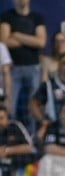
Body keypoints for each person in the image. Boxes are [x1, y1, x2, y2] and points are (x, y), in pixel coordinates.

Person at [0, 0, 46, 133]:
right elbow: (4, 42)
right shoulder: (6, 16)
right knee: (10, 106)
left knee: (33, 106)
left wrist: (17, 35)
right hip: (13, 69)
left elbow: (41, 42)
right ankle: (9, 135)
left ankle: (32, 136)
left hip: (33, 67)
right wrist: (31, 39)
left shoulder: (37, 17)